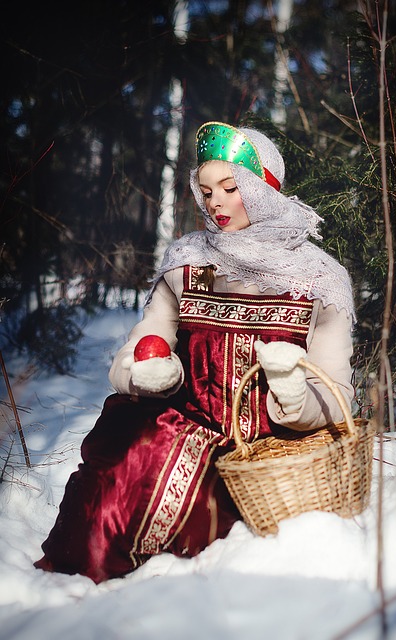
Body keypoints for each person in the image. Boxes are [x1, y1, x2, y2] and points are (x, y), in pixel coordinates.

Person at [34, 122, 355, 584]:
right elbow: (143, 345)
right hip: (185, 426)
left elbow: (338, 392)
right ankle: (84, 589)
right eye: (205, 191)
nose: (214, 202)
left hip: (266, 452)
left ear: (264, 190)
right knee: (119, 476)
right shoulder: (186, 263)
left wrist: (293, 394)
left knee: (229, 548)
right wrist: (148, 372)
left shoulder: (320, 280)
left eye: (230, 187)